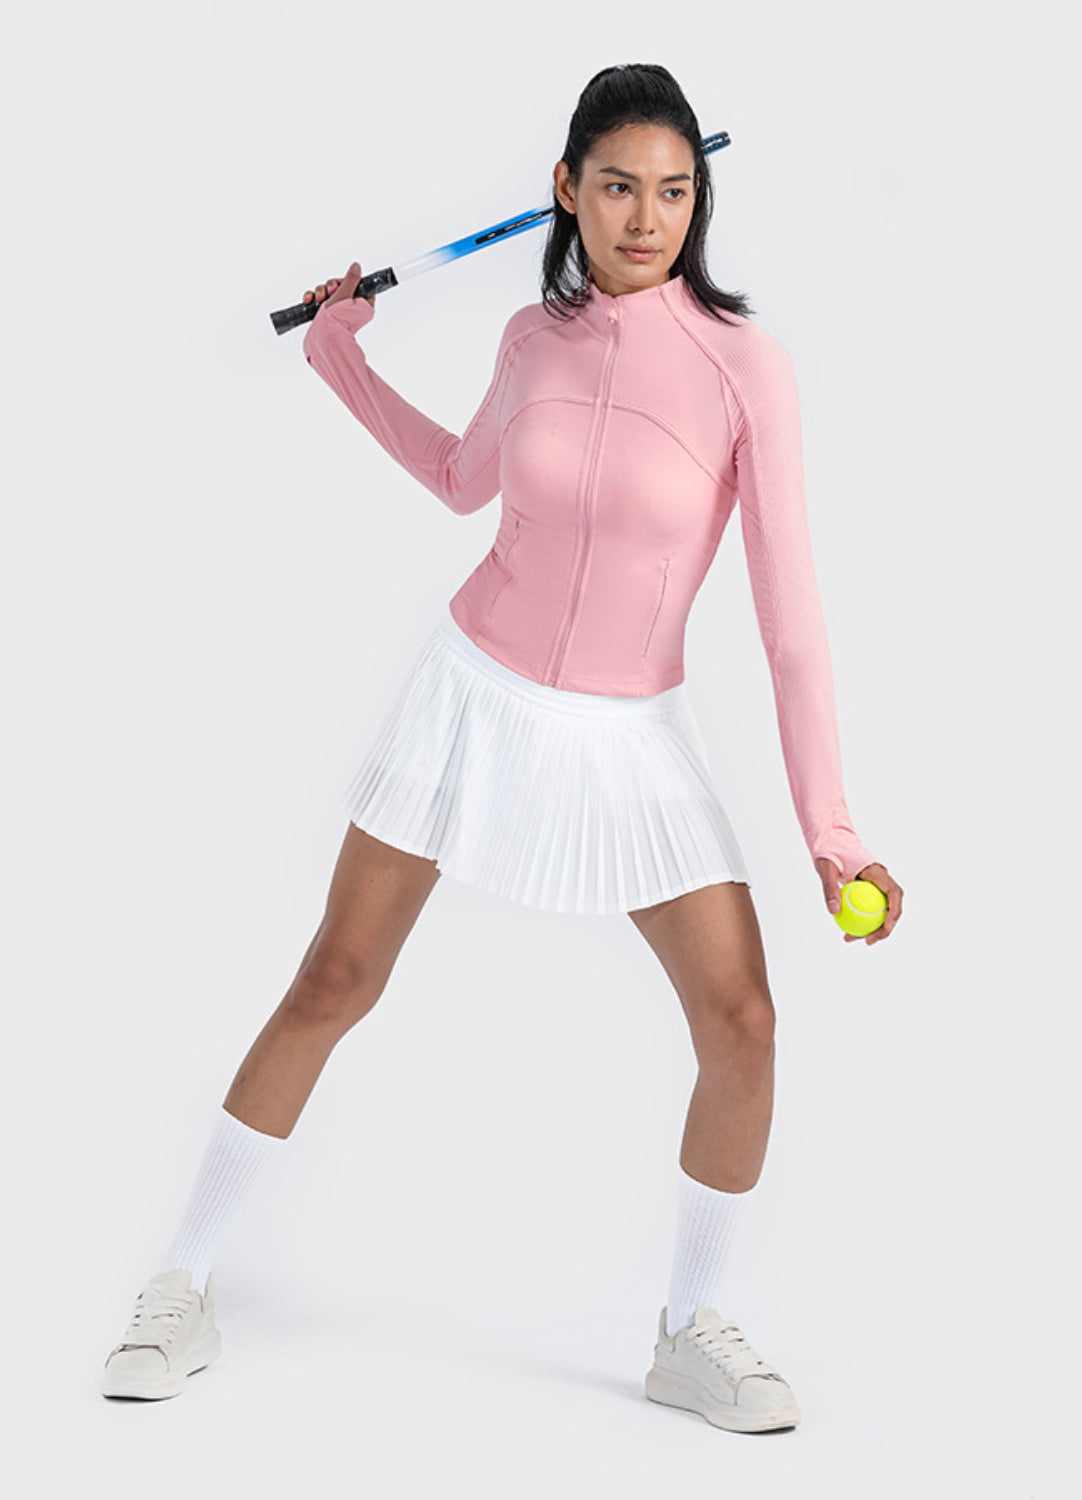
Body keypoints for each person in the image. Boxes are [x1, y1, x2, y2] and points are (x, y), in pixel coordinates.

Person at [101, 63, 903, 1433]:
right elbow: (458, 480)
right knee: (336, 976)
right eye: (617, 187)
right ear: (565, 190)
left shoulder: (743, 367)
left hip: (630, 731)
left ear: (697, 198)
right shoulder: (535, 337)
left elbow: (791, 627)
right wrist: (340, 353)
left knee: (744, 1021)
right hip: (472, 693)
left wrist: (833, 833)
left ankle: (691, 1330)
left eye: (673, 191)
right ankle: (178, 1284)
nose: (646, 219)